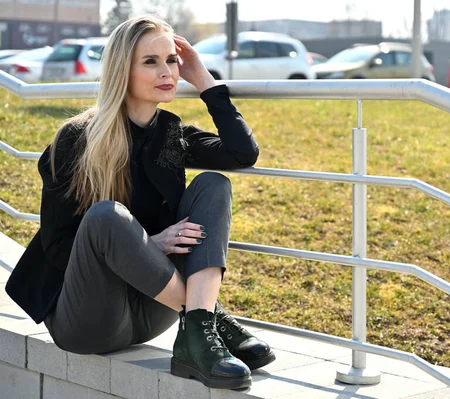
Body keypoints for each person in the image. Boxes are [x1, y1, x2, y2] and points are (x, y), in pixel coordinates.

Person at [4, 15, 274, 390]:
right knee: (106, 218)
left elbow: (242, 153)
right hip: (87, 319)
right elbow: (56, 247)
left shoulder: (171, 133)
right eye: (150, 61)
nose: (167, 71)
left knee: (213, 183)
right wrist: (150, 244)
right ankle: (205, 318)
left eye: (172, 60)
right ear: (122, 70)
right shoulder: (76, 139)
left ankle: (198, 329)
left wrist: (205, 82)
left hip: (151, 310)